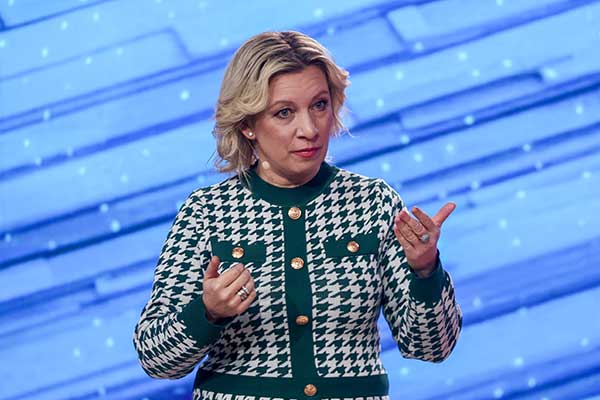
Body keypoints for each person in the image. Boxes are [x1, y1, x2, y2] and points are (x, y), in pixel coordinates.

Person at [133, 30, 462, 400]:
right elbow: (156, 359)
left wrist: (426, 271)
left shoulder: (373, 203)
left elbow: (432, 348)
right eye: (284, 113)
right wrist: (208, 312)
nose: (309, 129)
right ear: (247, 124)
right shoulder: (208, 212)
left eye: (319, 105)